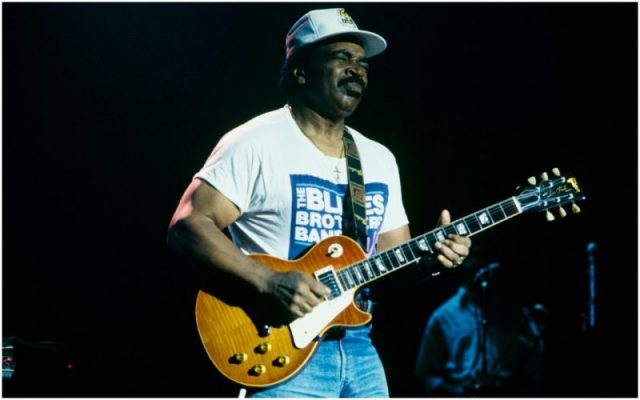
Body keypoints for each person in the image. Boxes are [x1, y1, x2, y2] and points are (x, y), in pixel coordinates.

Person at [168, 8, 471, 398]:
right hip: (278, 344)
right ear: (300, 70)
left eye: (362, 63)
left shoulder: (378, 158)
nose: (357, 70)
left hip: (359, 347)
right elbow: (187, 226)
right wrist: (269, 281)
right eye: (342, 58)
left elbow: (393, 260)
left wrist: (433, 257)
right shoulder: (256, 141)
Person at [414, 262, 546, 397]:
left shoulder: (515, 311)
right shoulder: (443, 316)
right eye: (474, 263)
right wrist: (456, 393)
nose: (481, 271)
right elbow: (426, 373)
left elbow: (537, 360)